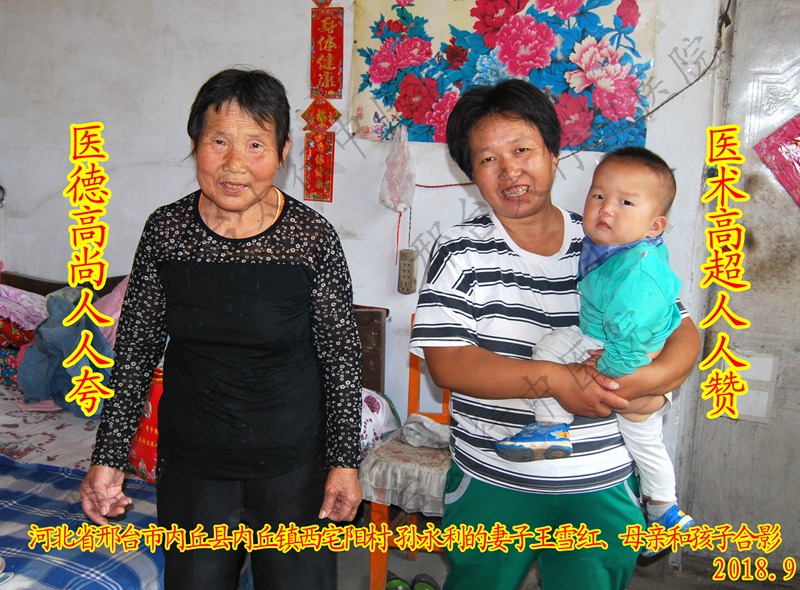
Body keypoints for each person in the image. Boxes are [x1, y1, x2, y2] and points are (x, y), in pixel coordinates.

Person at [409, 79, 700, 589]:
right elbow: (447, 364)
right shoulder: (460, 251)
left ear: (553, 152)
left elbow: (684, 334)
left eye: (522, 150)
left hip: (600, 486)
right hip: (494, 482)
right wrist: (558, 381)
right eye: (488, 159)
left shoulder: (611, 238)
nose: (509, 171)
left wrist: (643, 384)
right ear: (470, 173)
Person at [79, 68, 363, 590]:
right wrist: (109, 458)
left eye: (256, 144)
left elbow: (341, 361)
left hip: (291, 467)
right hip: (195, 467)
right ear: (194, 144)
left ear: (282, 152)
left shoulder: (311, 239)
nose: (235, 164)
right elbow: (136, 352)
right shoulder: (167, 231)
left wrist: (344, 463)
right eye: (218, 141)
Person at [494, 147, 694, 553]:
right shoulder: (615, 248)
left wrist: (611, 374)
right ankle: (663, 509)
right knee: (641, 438)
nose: (606, 208)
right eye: (598, 195)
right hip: (607, 341)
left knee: (637, 431)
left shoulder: (638, 272)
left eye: (626, 202)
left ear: (655, 225)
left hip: (622, 353)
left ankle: (661, 506)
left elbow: (633, 334)